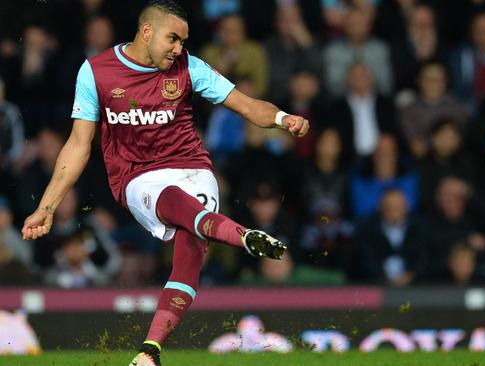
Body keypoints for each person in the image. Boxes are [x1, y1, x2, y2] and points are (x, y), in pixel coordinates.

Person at [19, 1, 309, 366]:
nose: (178, 49)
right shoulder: (96, 72)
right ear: (147, 31)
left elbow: (248, 106)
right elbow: (78, 145)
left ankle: (149, 351)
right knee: (173, 200)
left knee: (191, 251)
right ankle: (242, 236)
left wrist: (285, 119)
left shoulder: (190, 67)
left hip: (193, 168)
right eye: (173, 39)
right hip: (137, 175)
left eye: (183, 41)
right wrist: (46, 208)